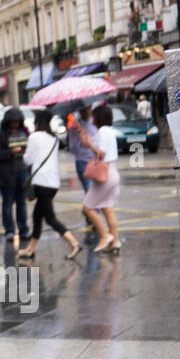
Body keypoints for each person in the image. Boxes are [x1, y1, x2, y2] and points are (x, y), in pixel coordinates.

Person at [19, 110, 81, 260]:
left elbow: (28, 160)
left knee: (50, 219)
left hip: (41, 182)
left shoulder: (34, 137)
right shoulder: (54, 139)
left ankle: (74, 243)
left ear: (37, 123)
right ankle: (30, 249)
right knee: (37, 216)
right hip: (53, 183)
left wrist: (20, 152)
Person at [82, 103, 122, 254]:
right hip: (112, 172)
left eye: (94, 115)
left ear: (98, 117)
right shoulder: (108, 131)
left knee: (88, 207)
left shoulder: (103, 132)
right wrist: (87, 141)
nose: (92, 117)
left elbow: (102, 154)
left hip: (104, 174)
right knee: (107, 208)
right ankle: (115, 241)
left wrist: (91, 145)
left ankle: (105, 236)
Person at [0, 107, 29, 244]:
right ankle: (9, 230)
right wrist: (10, 152)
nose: (15, 124)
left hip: (22, 171)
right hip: (7, 174)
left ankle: (23, 229)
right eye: (13, 122)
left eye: (17, 122)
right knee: (7, 203)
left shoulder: (24, 132)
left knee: (21, 203)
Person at [68, 105, 97, 195]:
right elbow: (73, 148)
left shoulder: (96, 123)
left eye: (88, 108)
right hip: (82, 162)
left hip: (96, 162)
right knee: (90, 191)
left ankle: (89, 209)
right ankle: (92, 209)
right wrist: (79, 135)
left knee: (96, 193)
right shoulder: (75, 127)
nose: (86, 112)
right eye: (83, 109)